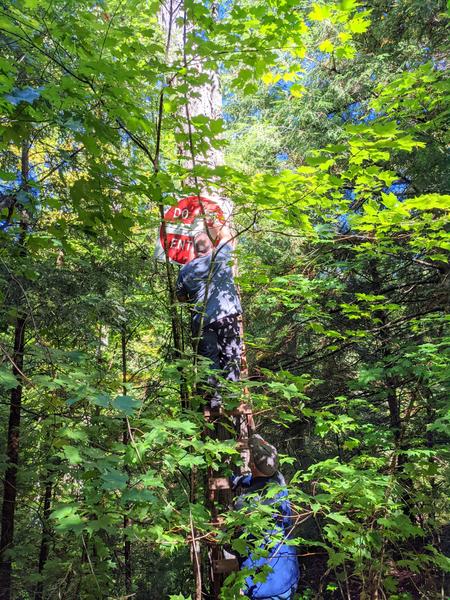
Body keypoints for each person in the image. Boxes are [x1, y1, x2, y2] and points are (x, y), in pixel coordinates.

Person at [176, 220, 242, 408]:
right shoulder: (220, 256)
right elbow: (227, 235)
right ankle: (230, 395)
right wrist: (214, 220)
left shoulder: (185, 270)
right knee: (231, 354)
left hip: (202, 320)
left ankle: (214, 399)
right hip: (227, 314)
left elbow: (180, 296)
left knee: (209, 358)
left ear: (194, 250)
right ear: (211, 246)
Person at [231, 434, 300, 600]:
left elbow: (236, 542)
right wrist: (239, 480)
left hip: (265, 586)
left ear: (253, 465)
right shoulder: (279, 480)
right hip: (287, 573)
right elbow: (258, 480)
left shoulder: (244, 504)